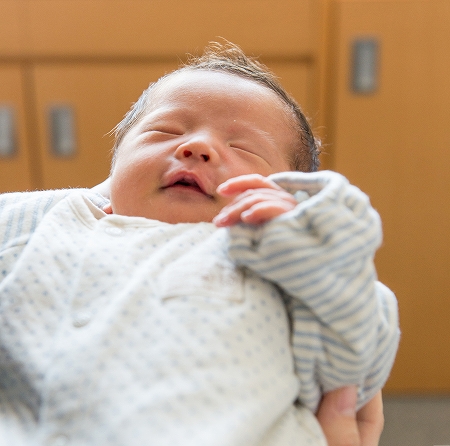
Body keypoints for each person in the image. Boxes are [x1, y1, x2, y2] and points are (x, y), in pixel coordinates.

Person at [0, 42, 399, 445]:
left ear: (288, 193)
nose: (196, 147)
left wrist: (311, 241)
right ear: (115, 164)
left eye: (244, 147)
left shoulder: (282, 263)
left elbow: (356, 362)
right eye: (165, 131)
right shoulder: (47, 219)